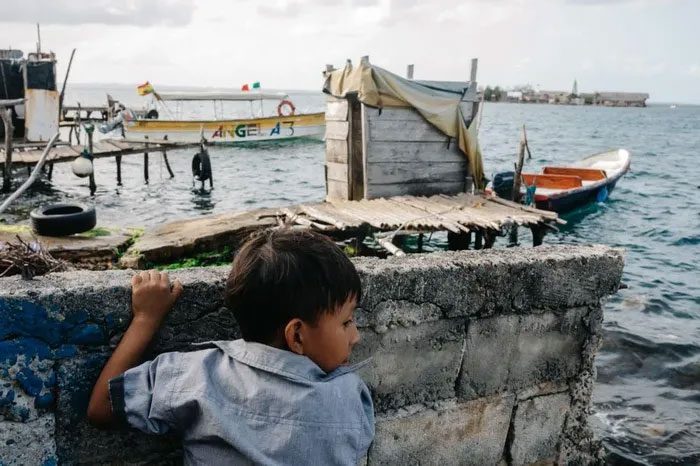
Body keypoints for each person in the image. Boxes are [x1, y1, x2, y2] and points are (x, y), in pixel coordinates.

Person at [87, 229, 374, 465]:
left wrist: (146, 318)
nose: (356, 336)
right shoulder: (350, 397)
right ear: (296, 335)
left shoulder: (196, 375)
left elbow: (102, 408)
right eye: (347, 322)